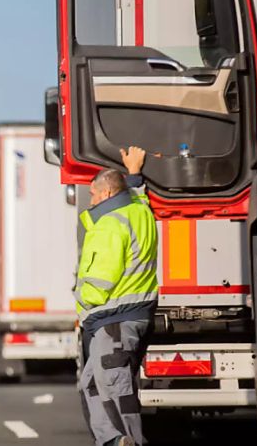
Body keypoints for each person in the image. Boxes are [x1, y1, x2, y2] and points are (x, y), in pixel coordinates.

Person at [77, 146, 157, 446]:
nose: (92, 201)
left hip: (113, 317)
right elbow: (138, 197)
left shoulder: (109, 225)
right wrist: (134, 172)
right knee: (93, 384)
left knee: (115, 389)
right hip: (131, 315)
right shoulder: (139, 212)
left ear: (107, 194)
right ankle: (112, 440)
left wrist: (81, 302)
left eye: (94, 196)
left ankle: (127, 441)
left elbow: (100, 280)